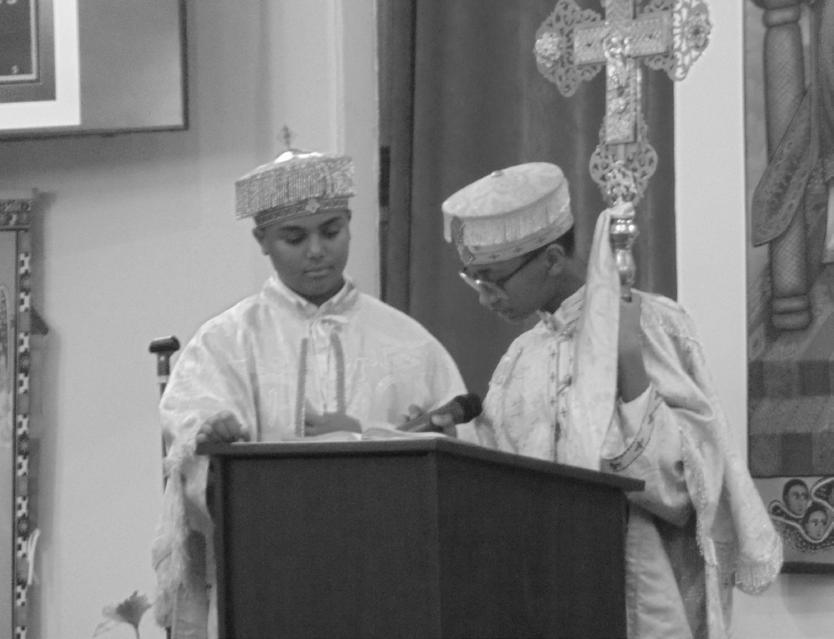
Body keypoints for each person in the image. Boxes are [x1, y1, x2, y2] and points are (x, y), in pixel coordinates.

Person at [440, 162, 783, 639]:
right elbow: (505, 479)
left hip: (640, 600)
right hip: (545, 598)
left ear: (552, 258)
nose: (485, 298)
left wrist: (629, 364)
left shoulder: (653, 325)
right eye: (474, 280)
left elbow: (683, 490)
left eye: (493, 279)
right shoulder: (521, 357)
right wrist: (447, 439)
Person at [152, 144, 470, 639]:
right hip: (267, 583)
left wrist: (370, 436)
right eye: (294, 237)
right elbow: (191, 458)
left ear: (350, 224)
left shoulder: (409, 344)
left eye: (331, 231)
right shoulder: (224, 344)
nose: (317, 251)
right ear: (262, 240)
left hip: (391, 580)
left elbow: (459, 467)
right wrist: (210, 444)